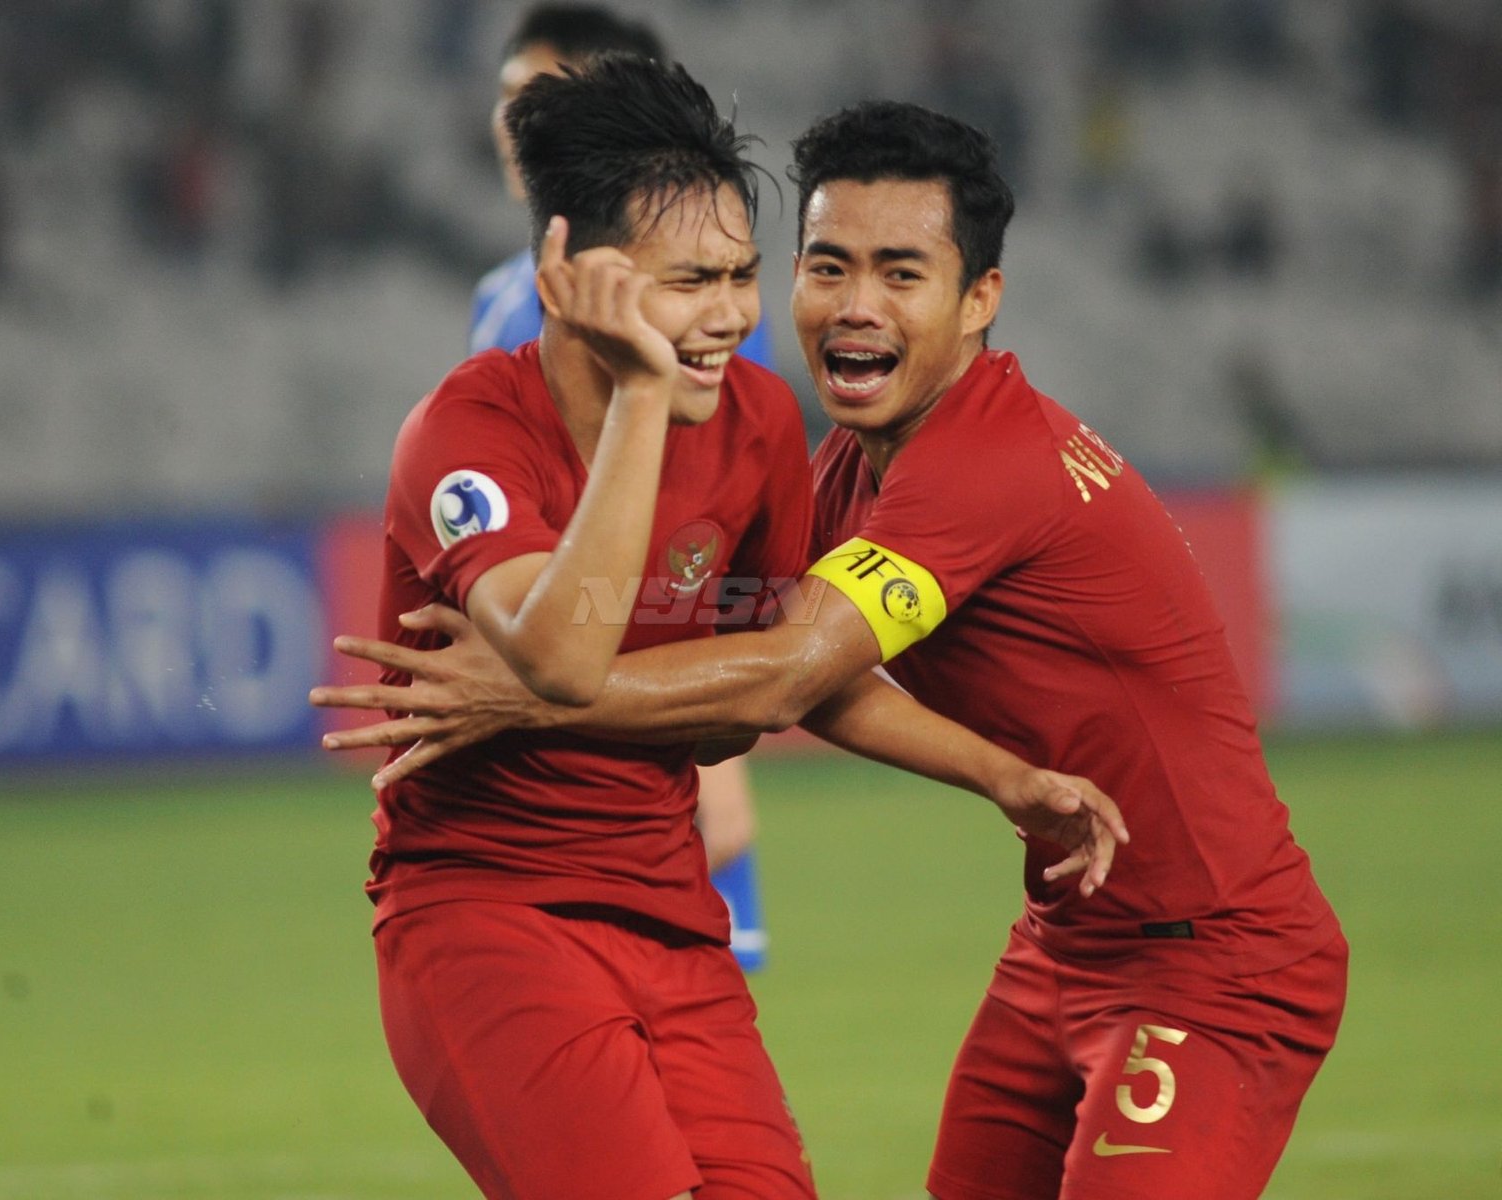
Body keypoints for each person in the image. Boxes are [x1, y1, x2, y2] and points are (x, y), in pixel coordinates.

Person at [315, 100, 1344, 1200]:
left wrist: (528, 695)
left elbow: (781, 675)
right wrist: (1002, 774)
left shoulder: (979, 465)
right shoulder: (844, 473)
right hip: (1063, 942)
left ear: (979, 299)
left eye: (901, 274)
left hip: (1213, 960)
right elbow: (796, 665)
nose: (855, 305)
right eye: (827, 267)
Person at [472, 1, 774, 971]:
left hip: (649, 688)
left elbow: (715, 519)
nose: (509, 121)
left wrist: (717, 737)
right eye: (507, 95)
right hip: (554, 699)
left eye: (535, 94)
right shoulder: (502, 298)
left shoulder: (701, 311)